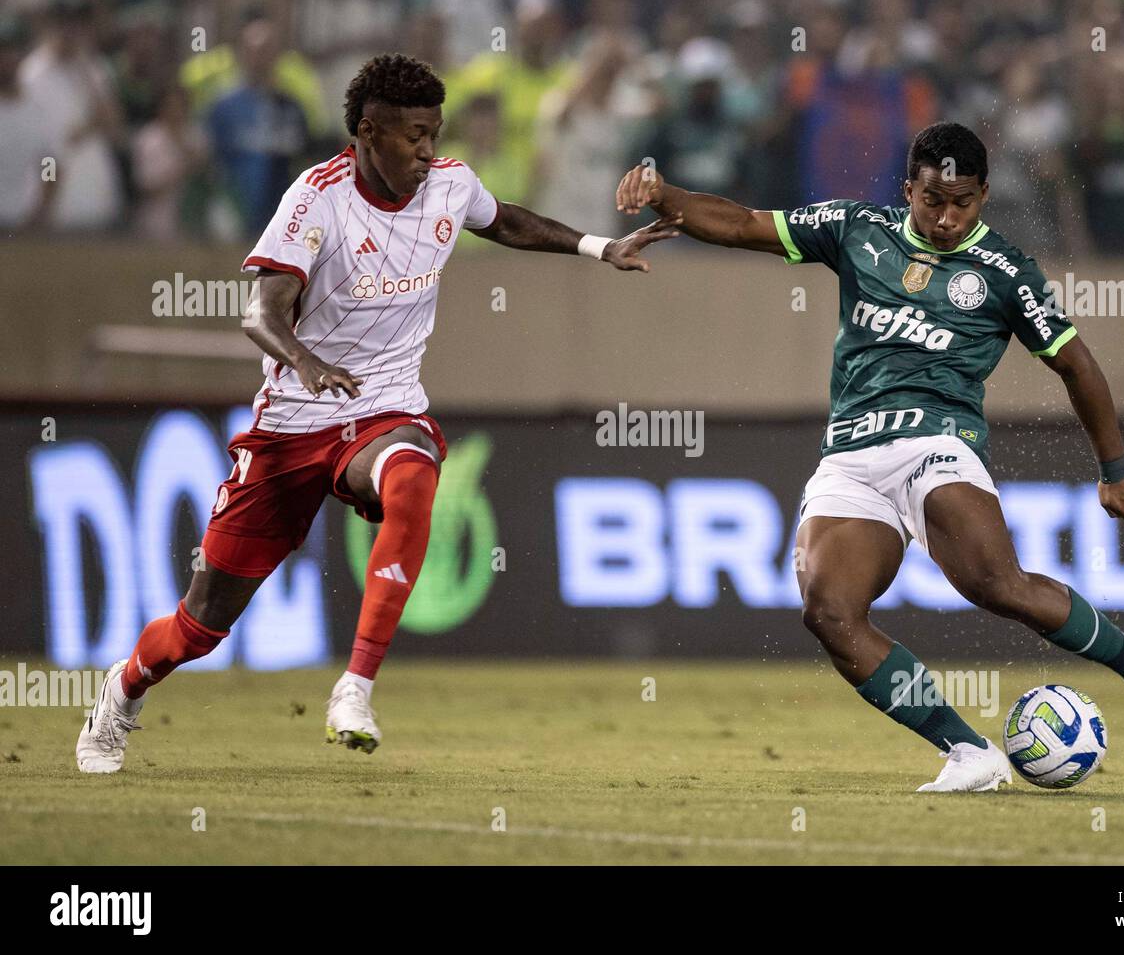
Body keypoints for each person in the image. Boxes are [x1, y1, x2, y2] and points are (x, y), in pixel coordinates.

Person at [77, 53, 678, 773]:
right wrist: (306, 362)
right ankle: (122, 688)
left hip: (385, 407)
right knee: (200, 625)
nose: (429, 151)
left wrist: (597, 245)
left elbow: (506, 220)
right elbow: (259, 313)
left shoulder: (450, 184)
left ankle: (355, 687)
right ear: (368, 131)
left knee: (414, 474)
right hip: (293, 424)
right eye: (414, 136)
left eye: (435, 133)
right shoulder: (316, 197)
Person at [614, 121, 1124, 792]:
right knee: (828, 612)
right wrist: (662, 191)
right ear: (908, 188)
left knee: (997, 585)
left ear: (984, 196)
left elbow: (1077, 365)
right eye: (932, 200)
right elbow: (740, 223)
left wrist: (1116, 469)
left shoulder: (1004, 272)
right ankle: (970, 751)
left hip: (937, 443)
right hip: (851, 455)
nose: (945, 218)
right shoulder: (856, 229)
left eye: (962, 203)